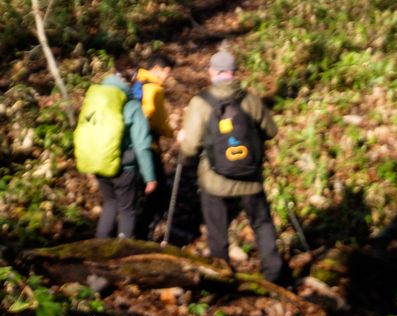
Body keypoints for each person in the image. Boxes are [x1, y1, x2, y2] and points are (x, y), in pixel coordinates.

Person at [178, 46, 288, 284]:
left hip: (214, 180)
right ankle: (274, 272)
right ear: (234, 72)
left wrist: (184, 146)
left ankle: (221, 273)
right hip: (250, 177)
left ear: (212, 73)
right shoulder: (250, 99)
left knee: (217, 228)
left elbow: (190, 148)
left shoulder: (200, 103)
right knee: (261, 223)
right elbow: (271, 131)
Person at [93, 71, 158, 239]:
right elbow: (142, 145)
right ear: (131, 82)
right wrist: (149, 177)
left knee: (110, 203)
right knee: (127, 210)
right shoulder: (131, 105)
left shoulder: (97, 98)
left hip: (99, 162)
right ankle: (124, 251)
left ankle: (100, 248)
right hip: (124, 167)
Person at [132, 52, 175, 239]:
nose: (167, 77)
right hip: (148, 145)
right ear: (157, 69)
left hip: (132, 146)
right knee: (158, 192)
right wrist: (171, 132)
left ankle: (132, 231)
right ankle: (143, 234)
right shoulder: (154, 89)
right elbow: (153, 118)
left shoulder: (135, 82)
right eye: (166, 72)